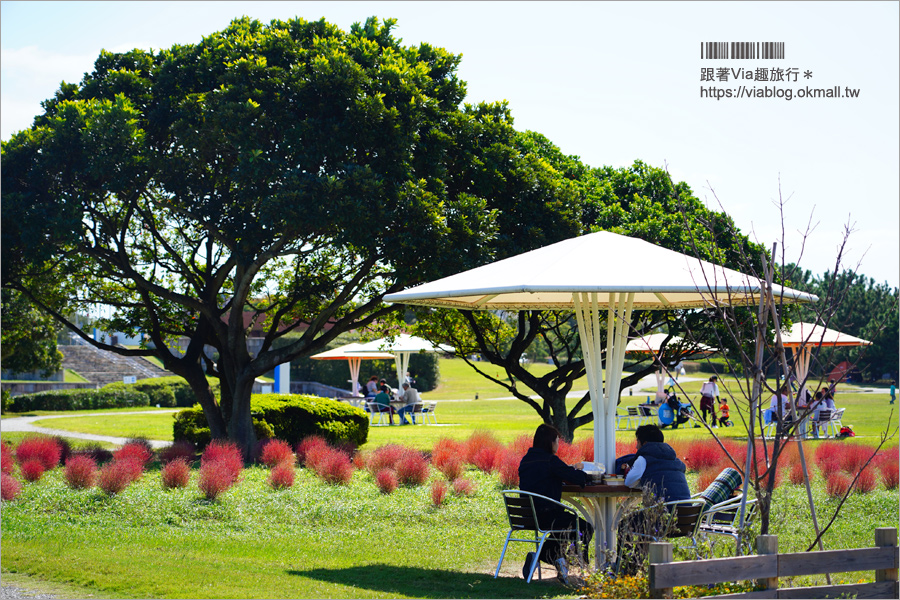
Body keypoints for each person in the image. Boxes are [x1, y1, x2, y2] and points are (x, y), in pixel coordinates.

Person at [518, 424, 592, 583]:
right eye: (557, 441)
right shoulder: (551, 461)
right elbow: (577, 478)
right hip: (548, 515)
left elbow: (554, 473)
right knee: (585, 528)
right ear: (550, 443)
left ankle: (547, 556)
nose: (558, 445)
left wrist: (568, 469)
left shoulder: (526, 460)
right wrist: (578, 469)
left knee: (563, 527)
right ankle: (576, 562)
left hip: (529, 516)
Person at [622, 424, 691, 503]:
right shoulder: (675, 459)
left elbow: (629, 482)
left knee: (629, 515)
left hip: (664, 511)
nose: (636, 447)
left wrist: (643, 483)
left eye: (637, 442)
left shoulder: (643, 459)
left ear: (644, 443)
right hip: (687, 510)